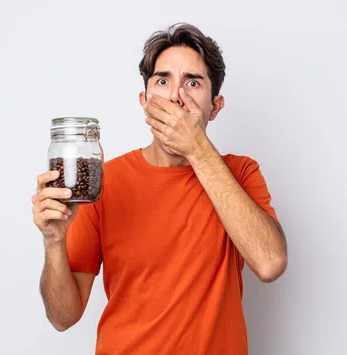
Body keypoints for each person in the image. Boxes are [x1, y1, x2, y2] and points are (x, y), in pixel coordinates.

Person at [32, 23, 288, 355]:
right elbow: (62, 317)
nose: (175, 97)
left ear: (215, 106)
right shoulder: (106, 181)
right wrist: (53, 242)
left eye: (193, 83)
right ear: (145, 100)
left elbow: (269, 263)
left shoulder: (241, 172)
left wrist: (196, 148)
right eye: (162, 81)